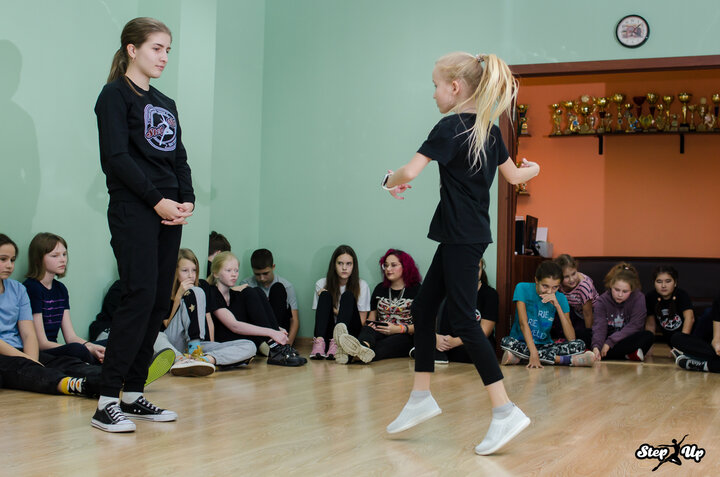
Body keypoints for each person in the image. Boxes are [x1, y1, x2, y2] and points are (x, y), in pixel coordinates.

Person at [381, 51, 540, 455]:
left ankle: (505, 410)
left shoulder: (449, 127)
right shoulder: (489, 130)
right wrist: (535, 170)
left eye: (435, 85)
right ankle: (421, 397)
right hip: (462, 236)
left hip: (462, 238)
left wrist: (388, 181)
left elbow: (409, 172)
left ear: (454, 87)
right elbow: (515, 176)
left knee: (465, 321)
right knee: (423, 309)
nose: (433, 93)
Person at [92, 17, 194, 432]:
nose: (164, 56)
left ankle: (133, 395)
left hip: (169, 212)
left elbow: (179, 157)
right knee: (137, 297)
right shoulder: (114, 96)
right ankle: (106, 401)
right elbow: (116, 158)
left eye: (168, 49)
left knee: (155, 303)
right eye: (156, 48)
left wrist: (186, 199)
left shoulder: (166, 102)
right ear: (132, 49)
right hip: (135, 209)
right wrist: (157, 201)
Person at [0, 233, 100, 398]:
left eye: (12, 260)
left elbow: (28, 333)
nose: (9, 265)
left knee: (63, 362)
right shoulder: (31, 287)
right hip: (5, 355)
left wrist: (32, 358)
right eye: (3, 259)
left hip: (22, 350)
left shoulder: (18, 289)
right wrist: (29, 361)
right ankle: (75, 385)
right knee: (22, 367)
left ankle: (110, 377)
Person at [163, 249, 256, 375]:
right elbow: (168, 326)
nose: (191, 275)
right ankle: (184, 358)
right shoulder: (163, 293)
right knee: (157, 337)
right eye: (185, 271)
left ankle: (204, 360)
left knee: (250, 346)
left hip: (200, 344)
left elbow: (208, 320)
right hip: (174, 344)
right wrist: (179, 296)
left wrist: (212, 344)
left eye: (194, 270)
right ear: (175, 272)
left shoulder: (201, 286)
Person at [206, 252, 305, 366]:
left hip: (243, 338)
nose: (234, 275)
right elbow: (234, 326)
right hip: (225, 341)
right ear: (216, 273)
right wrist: (272, 332)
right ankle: (275, 346)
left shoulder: (235, 295)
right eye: (228, 271)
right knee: (249, 292)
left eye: (236, 271)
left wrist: (276, 328)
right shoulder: (212, 292)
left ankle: (276, 347)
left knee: (254, 291)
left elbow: (254, 318)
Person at [23, 232, 105, 364]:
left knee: (110, 343)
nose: (63, 260)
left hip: (60, 347)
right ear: (38, 259)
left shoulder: (60, 288)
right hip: (44, 351)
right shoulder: (32, 288)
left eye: (64, 254)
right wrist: (85, 349)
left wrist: (91, 346)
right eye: (55, 255)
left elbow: (71, 336)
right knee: (78, 350)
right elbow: (41, 343)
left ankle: (99, 362)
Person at [500, 261, 594, 368]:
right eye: (545, 286)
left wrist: (558, 306)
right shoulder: (522, 288)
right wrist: (533, 352)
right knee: (507, 342)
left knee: (579, 345)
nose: (549, 292)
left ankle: (520, 358)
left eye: (555, 287)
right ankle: (566, 360)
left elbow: (571, 338)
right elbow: (523, 323)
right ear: (536, 280)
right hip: (522, 342)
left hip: (545, 345)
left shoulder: (560, 298)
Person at [339, 249, 421, 363]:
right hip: (380, 330)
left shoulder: (417, 290)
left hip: (404, 334)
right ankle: (362, 348)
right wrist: (370, 326)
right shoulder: (380, 288)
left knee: (384, 346)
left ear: (405, 267)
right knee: (367, 330)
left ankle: (351, 355)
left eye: (393, 265)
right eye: (385, 265)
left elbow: (423, 325)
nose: (388, 269)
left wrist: (398, 329)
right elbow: (371, 318)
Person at [311, 245, 371, 362]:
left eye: (348, 264)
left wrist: (334, 309)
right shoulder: (321, 283)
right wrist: (324, 298)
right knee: (325, 294)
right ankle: (319, 342)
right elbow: (321, 317)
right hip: (328, 334)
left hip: (349, 334)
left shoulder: (362, 285)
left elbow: (362, 320)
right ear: (334, 265)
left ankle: (337, 343)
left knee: (348, 295)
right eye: (340, 263)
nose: (344, 268)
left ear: (354, 266)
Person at [592, 263, 655, 362]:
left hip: (626, 338)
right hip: (607, 336)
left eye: (625, 291)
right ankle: (627, 354)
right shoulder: (602, 300)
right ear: (611, 285)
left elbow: (635, 326)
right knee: (584, 334)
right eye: (616, 290)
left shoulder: (639, 298)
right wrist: (597, 346)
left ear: (632, 290)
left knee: (648, 336)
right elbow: (600, 326)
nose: (620, 295)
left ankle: (606, 354)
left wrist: (609, 342)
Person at [239, 248, 299, 345]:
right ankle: (265, 343)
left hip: (281, 329)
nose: (262, 278)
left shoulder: (287, 286)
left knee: (278, 288)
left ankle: (277, 344)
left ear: (273, 267)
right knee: (253, 291)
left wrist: (289, 344)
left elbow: (294, 320)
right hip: (258, 330)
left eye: (265, 273)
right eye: (257, 274)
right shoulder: (245, 284)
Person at [553, 254, 597, 349]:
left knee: (581, 333)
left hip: (591, 315)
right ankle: (561, 339)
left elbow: (588, 314)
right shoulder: (558, 284)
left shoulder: (584, 286)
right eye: (566, 277)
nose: (572, 279)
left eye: (573, 274)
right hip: (575, 311)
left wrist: (588, 335)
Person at [671, 292, 720, 373]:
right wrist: (717, 348)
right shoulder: (718, 300)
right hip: (713, 351)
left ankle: (702, 365)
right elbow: (716, 339)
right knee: (677, 338)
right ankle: (707, 361)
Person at [644, 266, 695, 343]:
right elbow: (650, 325)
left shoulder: (681, 295)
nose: (663, 285)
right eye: (659, 282)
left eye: (668, 281)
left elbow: (690, 319)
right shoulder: (650, 297)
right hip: (670, 340)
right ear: (654, 283)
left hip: (689, 338)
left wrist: (681, 343)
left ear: (675, 283)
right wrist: (648, 345)